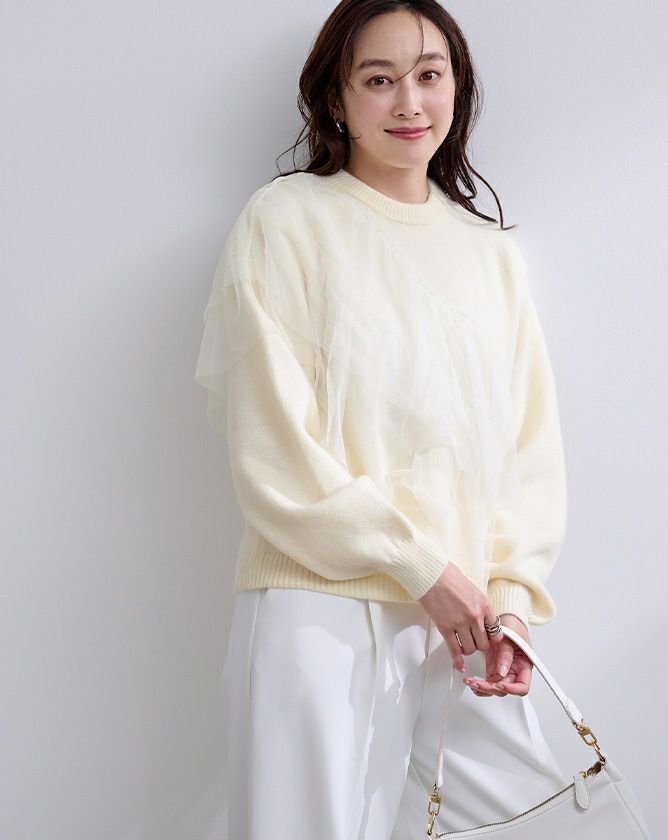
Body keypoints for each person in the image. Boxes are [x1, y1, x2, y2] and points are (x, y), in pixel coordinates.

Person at [194, 1, 569, 837]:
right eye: (378, 79)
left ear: (457, 88)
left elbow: (528, 452)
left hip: (466, 629)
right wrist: (421, 566)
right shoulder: (287, 221)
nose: (409, 102)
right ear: (336, 97)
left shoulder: (491, 256)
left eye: (430, 74)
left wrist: (510, 600)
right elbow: (273, 447)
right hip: (321, 607)